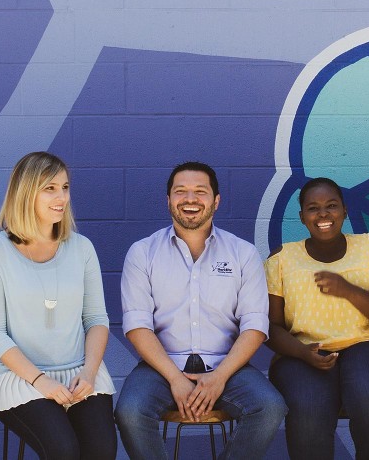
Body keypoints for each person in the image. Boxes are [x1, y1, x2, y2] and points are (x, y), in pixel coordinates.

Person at [115, 161, 287, 460]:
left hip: (227, 366)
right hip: (161, 366)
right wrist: (175, 378)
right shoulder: (142, 252)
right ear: (168, 200)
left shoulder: (242, 253)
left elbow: (255, 326)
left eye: (200, 191)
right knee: (130, 412)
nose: (190, 199)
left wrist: (220, 376)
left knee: (270, 406)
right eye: (180, 191)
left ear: (216, 201)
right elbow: (137, 325)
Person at [0, 152, 116, 460]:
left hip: (79, 372)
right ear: (26, 193)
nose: (61, 197)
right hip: (19, 378)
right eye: (50, 188)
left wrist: (90, 373)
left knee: (102, 451)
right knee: (63, 450)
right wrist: (41, 381)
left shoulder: (81, 248)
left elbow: (96, 319)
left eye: (65, 187)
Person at [264, 177, 369, 460]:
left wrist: (349, 291)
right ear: (302, 216)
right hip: (302, 351)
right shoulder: (281, 259)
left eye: (331, 206)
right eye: (313, 208)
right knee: (307, 410)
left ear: (345, 211)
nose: (323, 214)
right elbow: (271, 327)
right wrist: (302, 353)